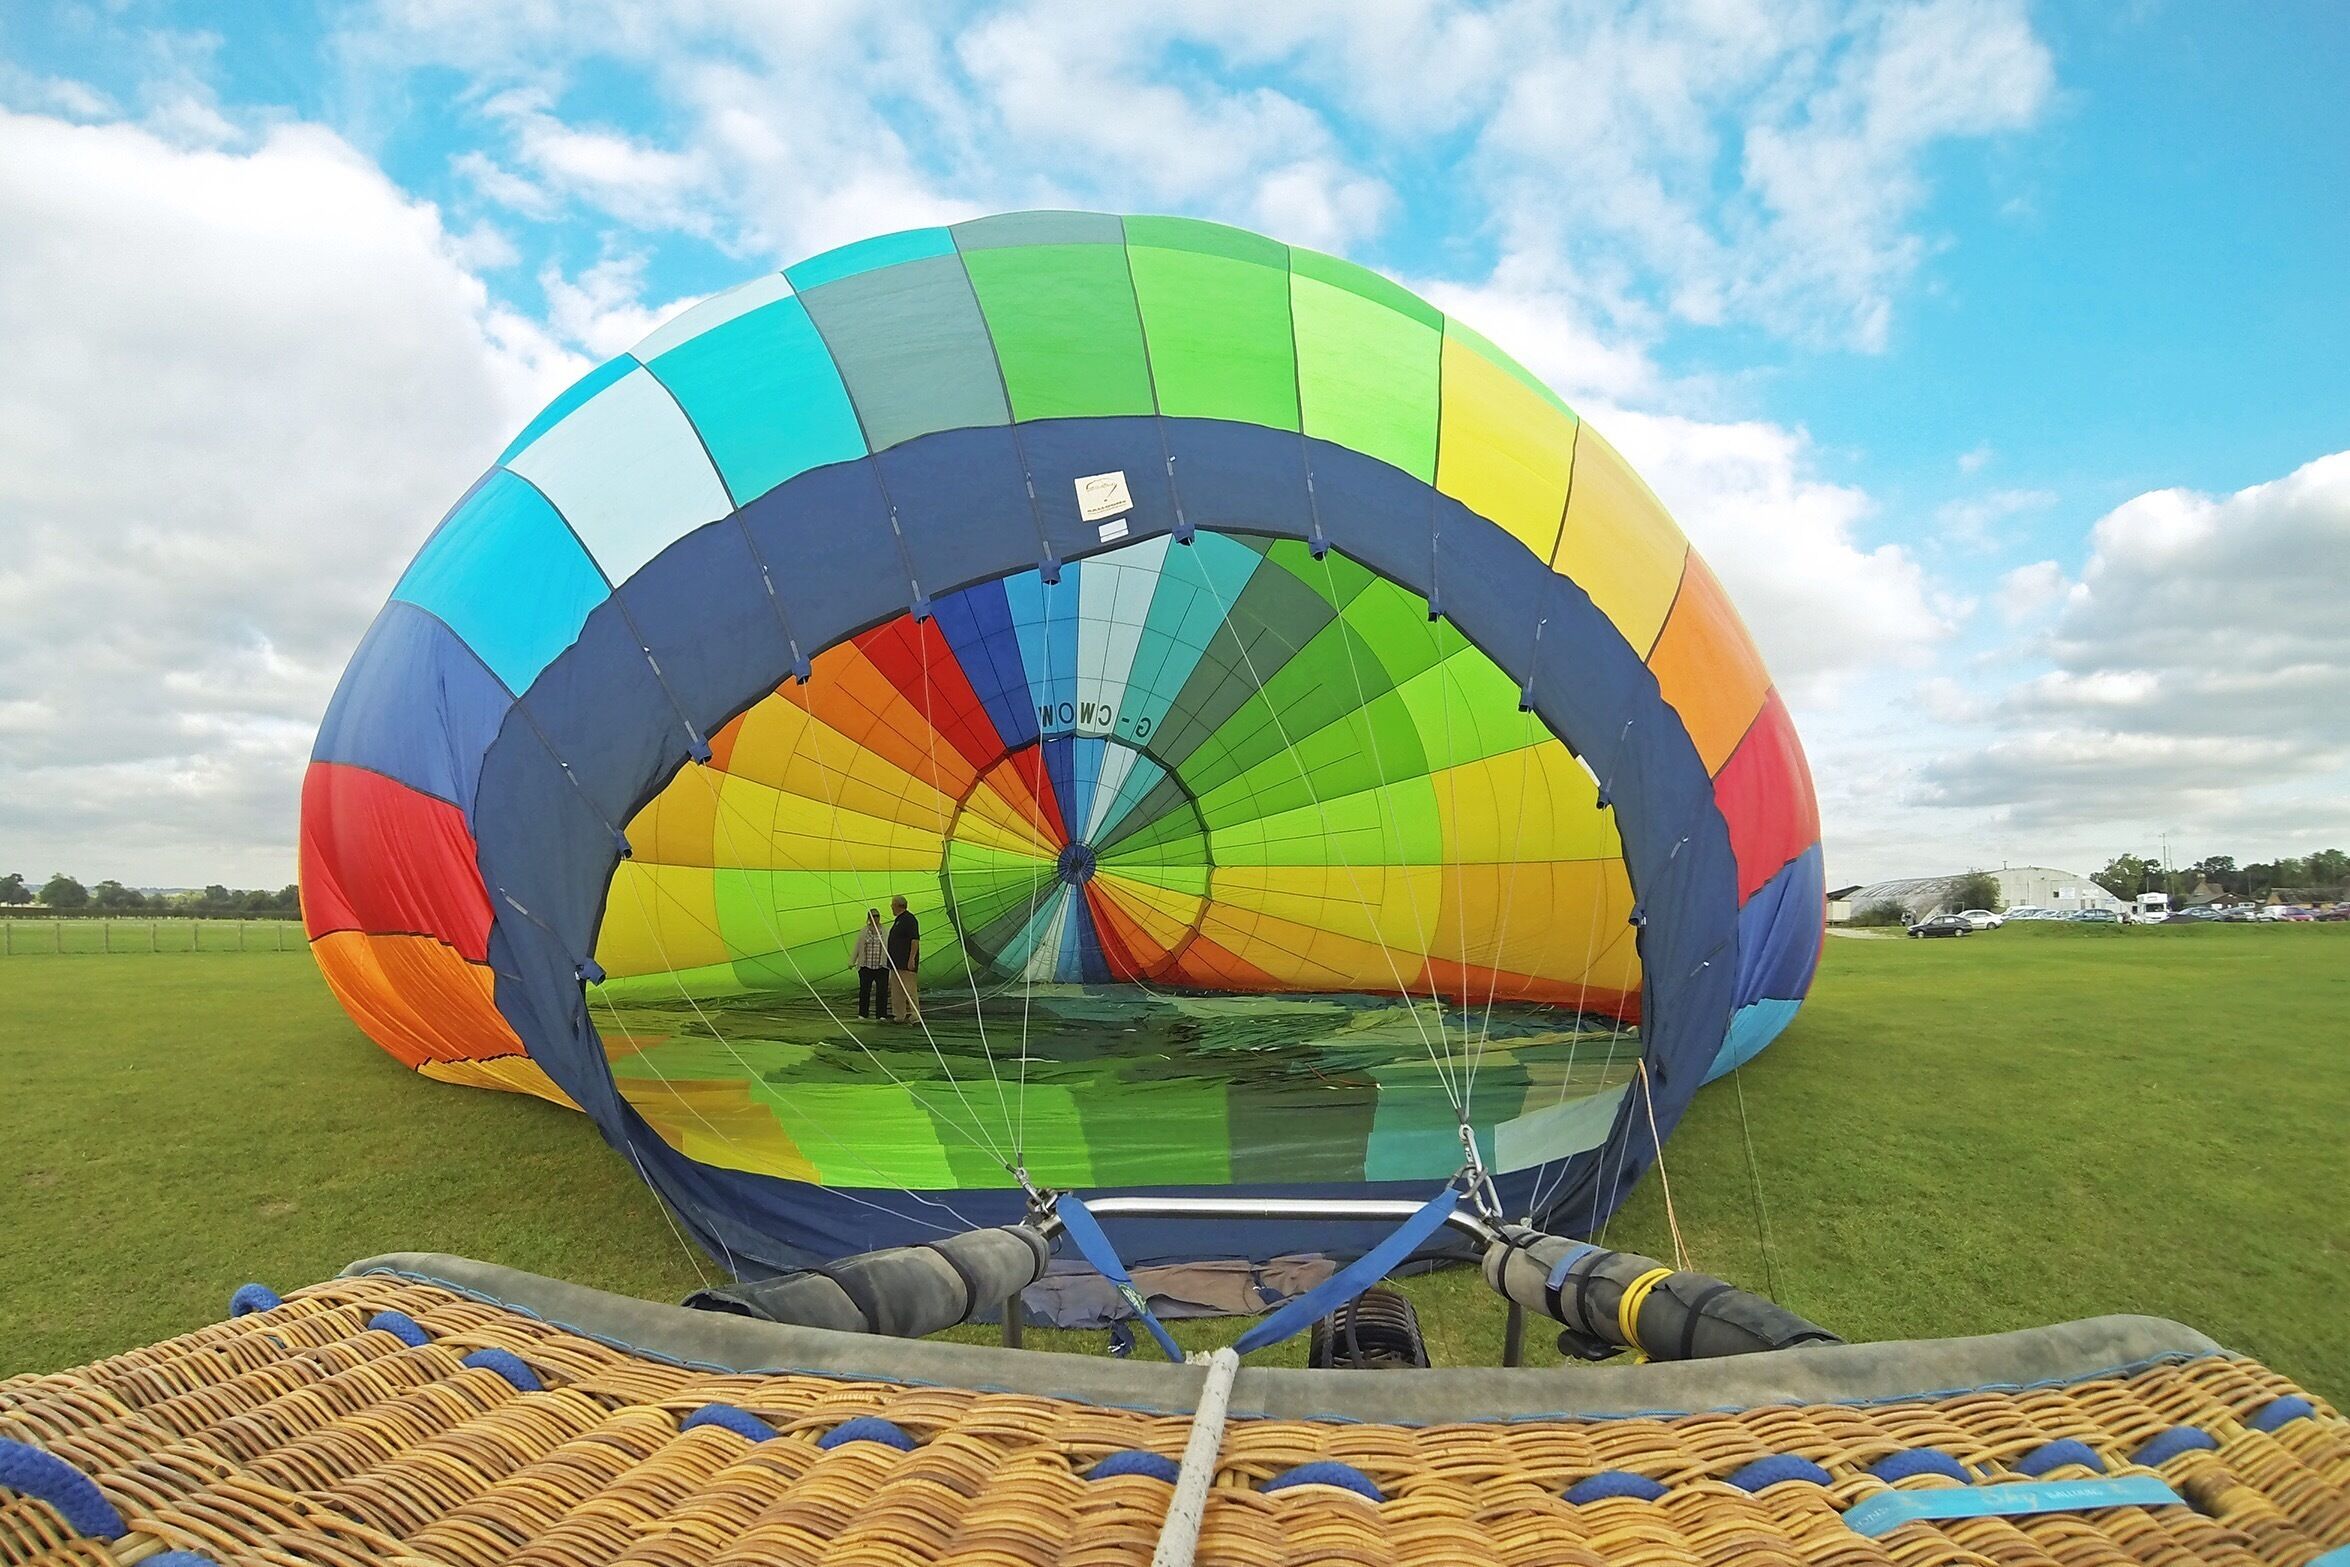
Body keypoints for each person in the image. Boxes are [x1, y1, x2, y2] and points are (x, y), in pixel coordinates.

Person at [885, 894, 920, 1024]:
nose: (891, 908)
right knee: (897, 991)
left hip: (905, 963)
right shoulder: (898, 920)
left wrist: (911, 959)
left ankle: (915, 1015)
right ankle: (899, 1015)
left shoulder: (910, 920)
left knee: (910, 990)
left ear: (898, 906)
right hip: (895, 963)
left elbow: (915, 940)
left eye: (892, 905)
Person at [852, 908, 890, 1020]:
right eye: (873, 916)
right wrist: (852, 961)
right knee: (864, 990)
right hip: (866, 966)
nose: (875, 918)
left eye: (877, 916)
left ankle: (881, 1014)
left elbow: (889, 947)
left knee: (882, 991)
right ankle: (863, 1013)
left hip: (881, 966)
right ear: (869, 918)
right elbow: (857, 947)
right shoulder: (864, 931)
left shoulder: (885, 931)